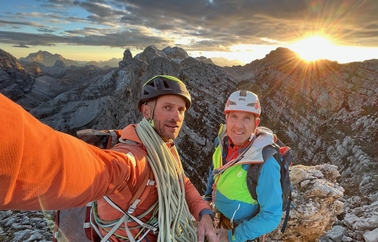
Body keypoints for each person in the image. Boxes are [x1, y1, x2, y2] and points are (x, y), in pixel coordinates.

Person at [0, 75, 218, 242]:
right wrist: (12, 149)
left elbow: (181, 181)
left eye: (181, 110)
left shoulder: (165, 147)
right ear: (146, 111)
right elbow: (90, 170)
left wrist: (204, 213)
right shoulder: (131, 159)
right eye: (167, 108)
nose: (176, 116)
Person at [204, 90, 283, 242]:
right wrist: (207, 197)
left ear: (256, 123)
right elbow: (215, 171)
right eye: (234, 116)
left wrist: (233, 235)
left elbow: (271, 216)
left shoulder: (265, 163)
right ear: (226, 118)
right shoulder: (222, 142)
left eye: (246, 118)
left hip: (243, 229)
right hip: (221, 218)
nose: (238, 126)